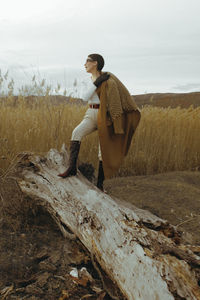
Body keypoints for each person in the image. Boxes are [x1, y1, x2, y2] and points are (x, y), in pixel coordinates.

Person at [58, 53, 141, 191]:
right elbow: (85, 97)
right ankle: (72, 168)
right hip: (91, 113)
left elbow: (117, 99)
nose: (84, 64)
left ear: (95, 63)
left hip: (105, 115)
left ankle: (100, 184)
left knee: (102, 149)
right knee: (76, 132)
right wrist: (97, 82)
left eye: (87, 61)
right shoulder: (88, 80)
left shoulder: (109, 80)